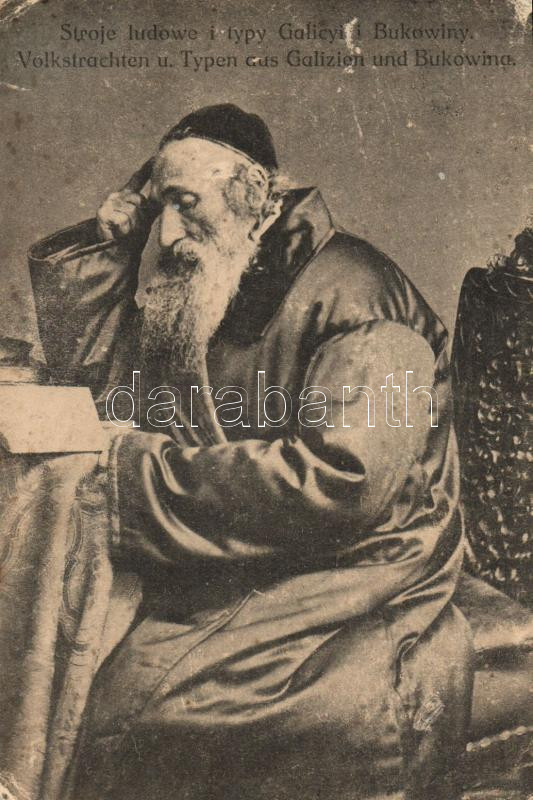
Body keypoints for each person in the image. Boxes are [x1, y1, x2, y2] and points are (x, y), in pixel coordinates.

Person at [29, 104, 472, 800]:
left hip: (354, 564)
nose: (165, 233)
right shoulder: (214, 271)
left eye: (184, 203)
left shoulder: (360, 297)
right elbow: (92, 376)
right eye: (156, 207)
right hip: (237, 538)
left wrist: (132, 474)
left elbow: (344, 482)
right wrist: (110, 241)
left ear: (253, 198)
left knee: (150, 708)